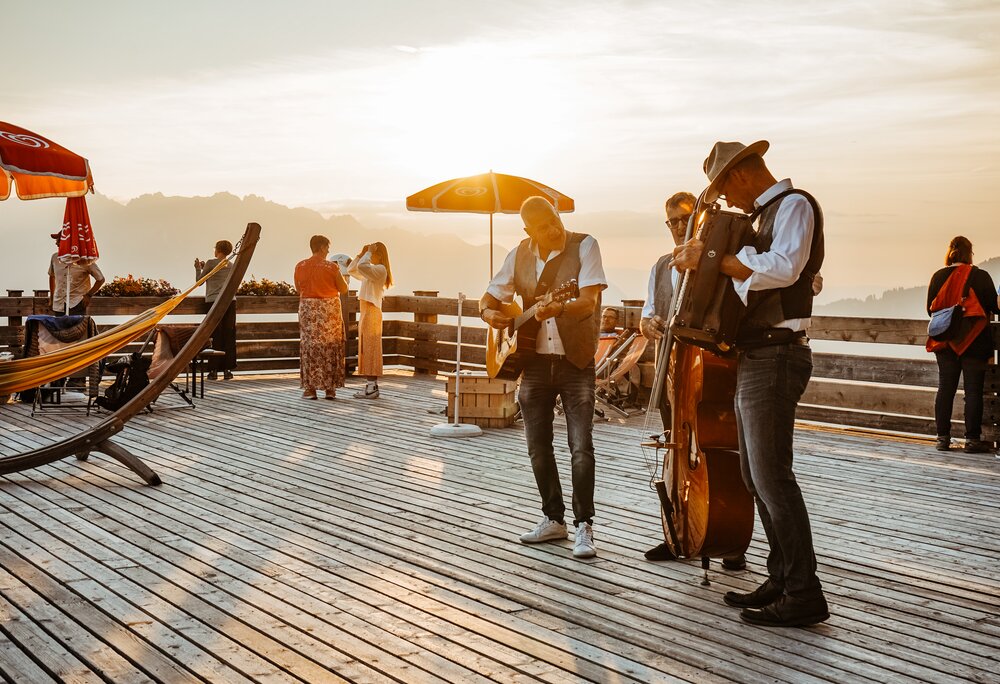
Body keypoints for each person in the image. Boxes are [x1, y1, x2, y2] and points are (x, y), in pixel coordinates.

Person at [672, 140, 828, 627]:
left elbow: (785, 268)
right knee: (755, 476)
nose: (725, 199)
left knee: (772, 477)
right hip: (756, 354)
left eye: (723, 188)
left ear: (740, 174)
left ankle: (804, 592)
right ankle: (781, 578)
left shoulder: (794, 204)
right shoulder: (760, 217)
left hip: (778, 354)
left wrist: (714, 259)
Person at [479, 196, 607, 559]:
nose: (553, 229)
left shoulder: (585, 245)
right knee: (538, 447)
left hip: (575, 362)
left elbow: (588, 301)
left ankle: (584, 525)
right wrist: (489, 315)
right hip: (533, 363)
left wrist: (559, 306)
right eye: (543, 226)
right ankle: (553, 519)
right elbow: (489, 298)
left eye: (555, 220)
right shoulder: (518, 254)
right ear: (528, 230)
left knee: (581, 447)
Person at [639, 190, 748, 572]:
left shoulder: (719, 262)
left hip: (707, 374)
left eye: (684, 220)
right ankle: (679, 530)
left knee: (723, 455)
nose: (677, 227)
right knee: (675, 449)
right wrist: (649, 324)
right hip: (671, 373)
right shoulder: (661, 266)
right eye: (672, 221)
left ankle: (730, 538)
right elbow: (647, 314)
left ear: (699, 221)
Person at [925, 236, 999, 454]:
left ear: (950, 252)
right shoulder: (980, 276)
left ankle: (942, 438)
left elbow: (930, 310)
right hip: (974, 342)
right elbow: (995, 307)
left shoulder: (938, 276)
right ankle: (972, 440)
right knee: (973, 392)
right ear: (969, 253)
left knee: (945, 389)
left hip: (945, 342)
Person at [294, 235, 349, 400]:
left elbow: (298, 288)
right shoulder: (331, 267)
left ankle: (310, 389)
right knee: (330, 346)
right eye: (327, 248)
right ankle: (330, 389)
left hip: (308, 309)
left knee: (310, 346)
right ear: (323, 247)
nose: (328, 251)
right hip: (329, 309)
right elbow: (343, 289)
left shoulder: (300, 266)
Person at [347, 242, 392, 399]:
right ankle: (371, 386)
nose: (370, 255)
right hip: (367, 311)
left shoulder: (380, 270)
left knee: (371, 348)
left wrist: (367, 253)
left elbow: (362, 267)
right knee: (366, 348)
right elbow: (352, 270)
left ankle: (372, 387)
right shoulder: (371, 271)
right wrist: (361, 254)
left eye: (373, 253)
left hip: (371, 311)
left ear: (379, 255)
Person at [194, 239, 237, 380]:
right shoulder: (231, 265)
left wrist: (198, 268)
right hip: (230, 302)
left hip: (214, 301)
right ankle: (227, 370)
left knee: (215, 335)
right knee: (229, 335)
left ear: (217, 249)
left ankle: (213, 371)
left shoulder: (211, 263)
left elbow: (199, 281)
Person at [48, 232, 105, 316]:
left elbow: (100, 279)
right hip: (59, 304)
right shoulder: (55, 257)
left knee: (77, 325)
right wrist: (52, 297)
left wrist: (89, 295)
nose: (56, 243)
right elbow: (52, 276)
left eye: (59, 240)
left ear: (68, 242)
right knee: (59, 325)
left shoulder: (84, 259)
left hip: (77, 303)